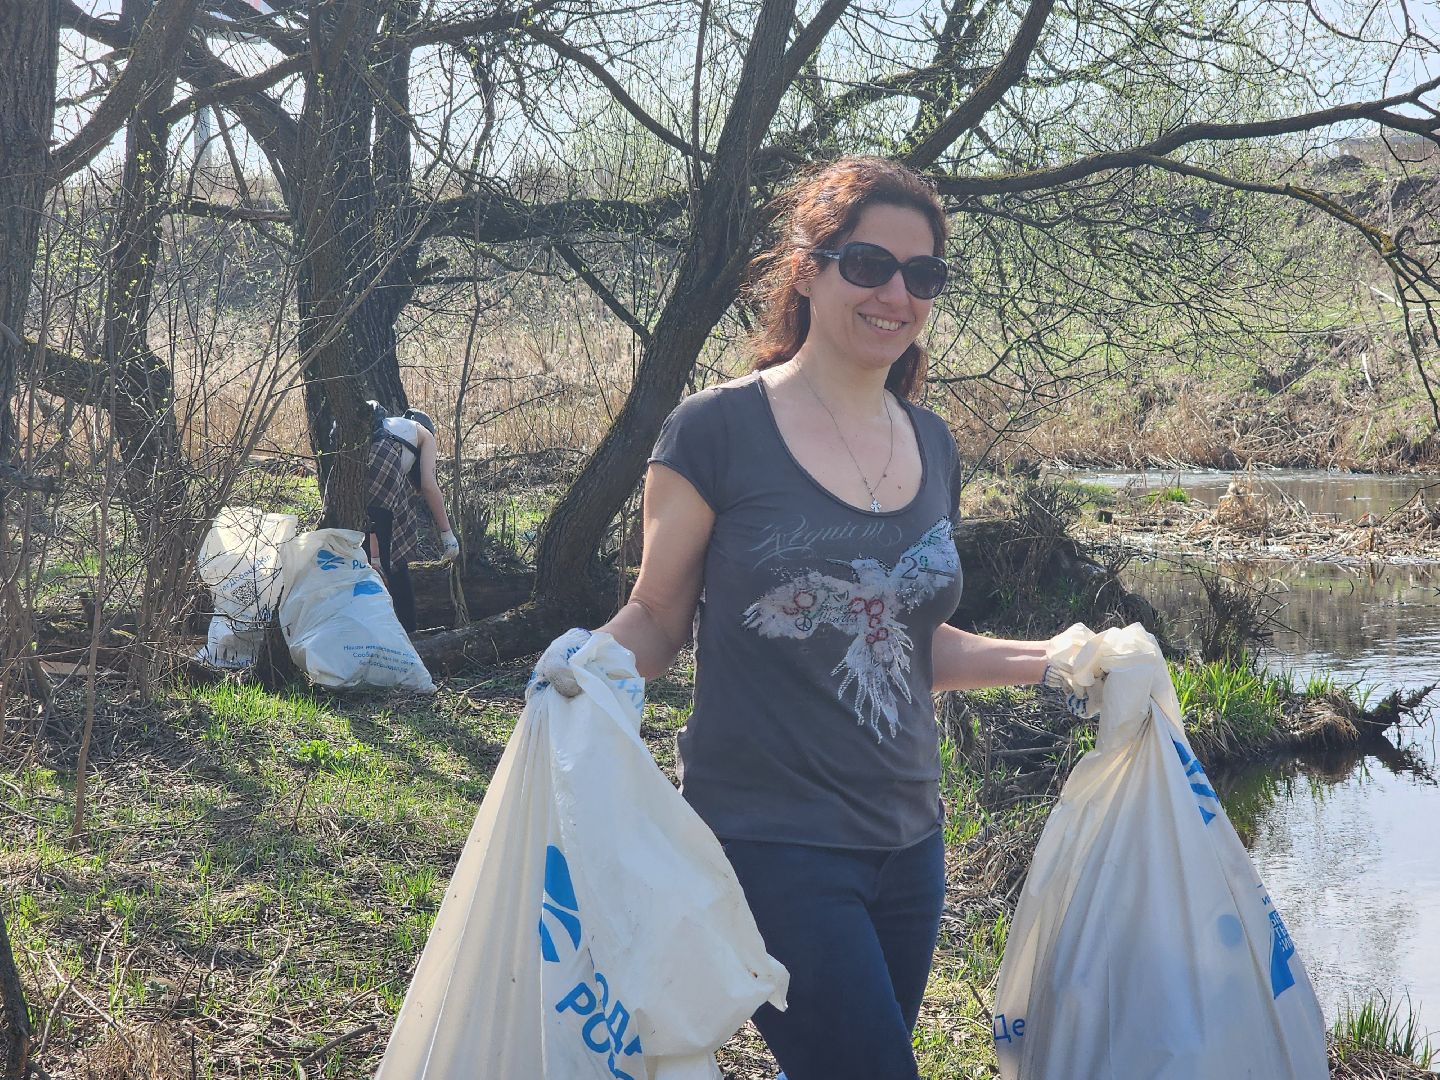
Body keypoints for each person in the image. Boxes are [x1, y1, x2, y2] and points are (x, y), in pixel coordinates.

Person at [532, 157, 1060, 1080]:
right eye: (868, 264)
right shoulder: (715, 431)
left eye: (922, 275)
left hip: (910, 844)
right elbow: (659, 616)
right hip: (773, 842)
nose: (896, 292)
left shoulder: (931, 442)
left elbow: (910, 642)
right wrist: (588, 663)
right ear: (808, 270)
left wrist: (1061, 660)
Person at [366, 405, 460, 634]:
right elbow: (429, 485)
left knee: (371, 545)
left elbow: (370, 510)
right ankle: (409, 632)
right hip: (381, 460)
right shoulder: (424, 434)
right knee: (397, 562)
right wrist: (448, 536)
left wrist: (375, 555)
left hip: (352, 460)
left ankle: (375, 563)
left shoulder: (389, 428)